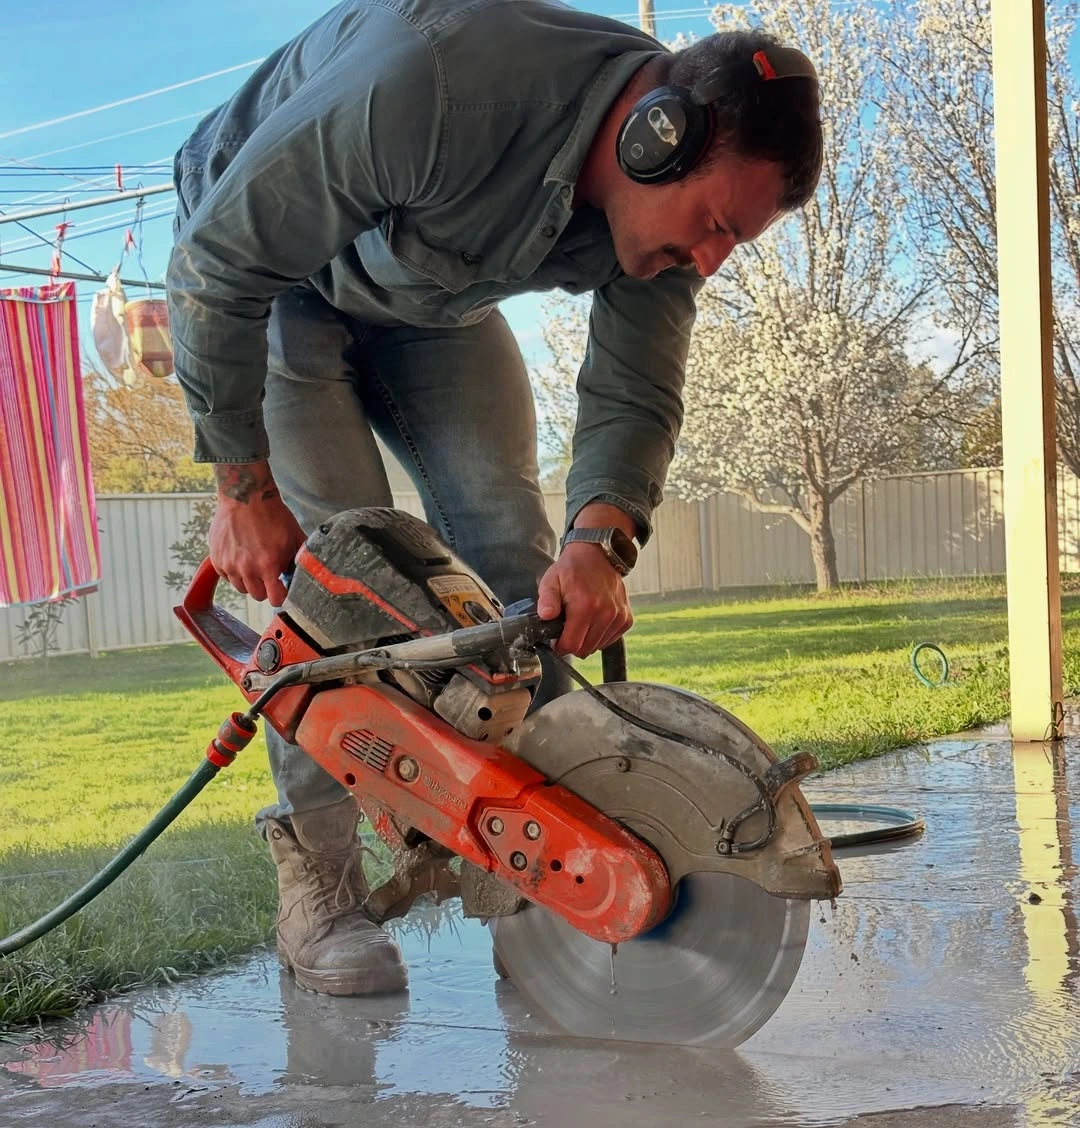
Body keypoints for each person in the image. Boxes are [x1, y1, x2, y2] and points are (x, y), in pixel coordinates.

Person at [166, 0, 822, 998]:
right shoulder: (429, 84)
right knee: (342, 582)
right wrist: (241, 482)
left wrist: (600, 541)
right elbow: (218, 264)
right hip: (273, 278)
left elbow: (635, 385)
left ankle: (557, 871)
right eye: (718, 226)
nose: (713, 259)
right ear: (655, 138)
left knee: (518, 554)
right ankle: (321, 887)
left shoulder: (662, 224)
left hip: (422, 292)